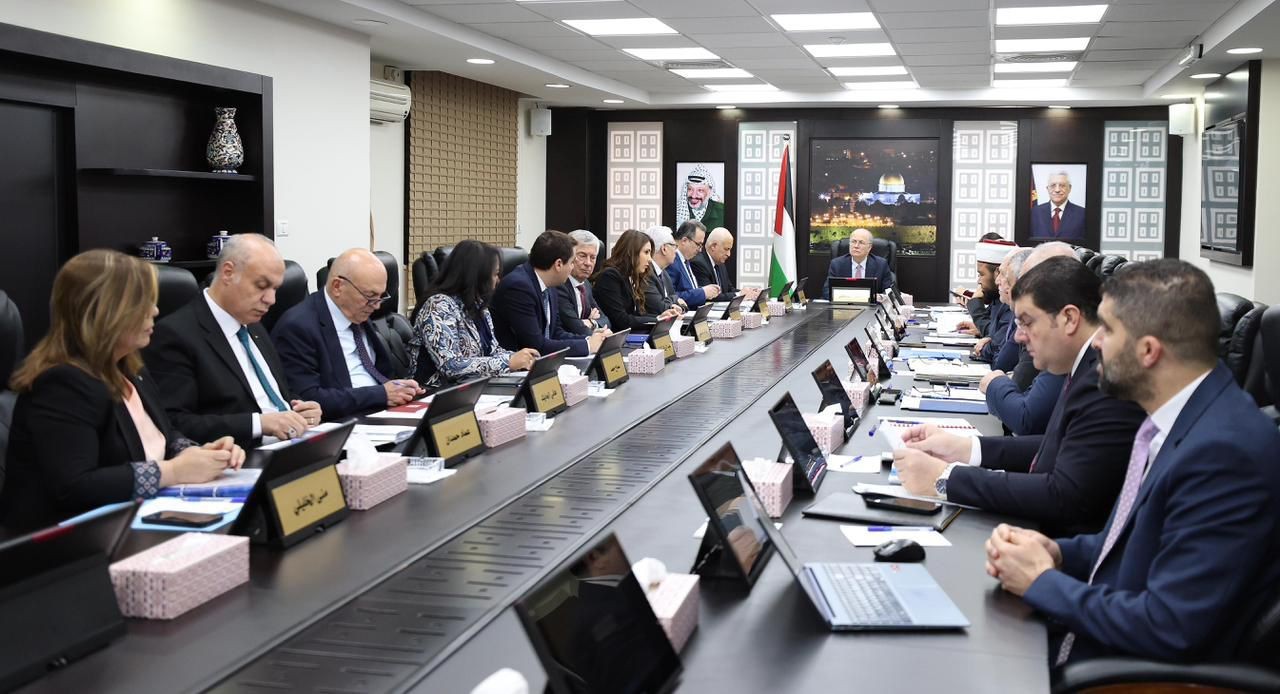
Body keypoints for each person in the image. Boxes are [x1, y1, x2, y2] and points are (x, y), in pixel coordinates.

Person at [986, 259, 1280, 668]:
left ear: (1148, 351)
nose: (1096, 342)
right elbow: (1132, 546)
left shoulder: (1224, 453)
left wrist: (1041, 582)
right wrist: (1056, 551)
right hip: (1098, 632)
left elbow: (1169, 627)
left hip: (1122, 671)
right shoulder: (1183, 419)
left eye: (1107, 330)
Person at [893, 257, 1146, 536]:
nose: (1018, 337)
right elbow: (1059, 445)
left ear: (1069, 318)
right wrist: (966, 448)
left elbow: (1063, 495)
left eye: (1027, 323)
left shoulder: (1105, 377)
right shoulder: (1081, 364)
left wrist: (946, 478)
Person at [1, 250, 244, 532]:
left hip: (132, 522)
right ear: (106, 310)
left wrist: (198, 453)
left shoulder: (129, 367)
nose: (155, 311)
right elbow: (75, 486)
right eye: (143, 302)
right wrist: (173, 471)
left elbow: (164, 434)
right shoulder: (62, 384)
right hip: (69, 543)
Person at [145, 234, 322, 448]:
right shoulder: (175, 334)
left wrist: (300, 408)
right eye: (261, 285)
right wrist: (258, 424)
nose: (271, 300)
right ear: (228, 273)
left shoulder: (254, 325)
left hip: (292, 444)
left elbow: (273, 394)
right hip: (242, 454)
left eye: (275, 288)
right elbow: (174, 423)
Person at [273, 248, 422, 419]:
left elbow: (378, 372)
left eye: (381, 296)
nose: (377, 306)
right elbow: (309, 399)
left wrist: (400, 388)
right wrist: (381, 394)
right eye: (370, 296)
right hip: (346, 420)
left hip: (384, 411)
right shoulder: (297, 327)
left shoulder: (357, 311)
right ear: (337, 287)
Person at [409, 240, 537, 389]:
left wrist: (521, 358)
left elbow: (493, 351)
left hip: (473, 387)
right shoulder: (438, 306)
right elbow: (450, 366)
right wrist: (508, 362)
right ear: (478, 275)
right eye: (495, 274)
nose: (498, 280)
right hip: (435, 392)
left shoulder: (478, 305)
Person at [981, 242, 1077, 435]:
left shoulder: (1068, 353)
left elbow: (1026, 419)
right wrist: (972, 447)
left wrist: (996, 383)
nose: (1003, 283)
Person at [491, 230, 607, 358]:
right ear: (558, 264)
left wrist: (591, 339)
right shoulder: (519, 287)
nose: (571, 268)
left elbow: (556, 333)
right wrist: (588, 346)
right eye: (571, 262)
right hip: (515, 365)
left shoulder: (550, 285)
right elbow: (536, 345)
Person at [594, 229, 681, 333]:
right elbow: (622, 320)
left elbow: (637, 315)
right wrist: (657, 319)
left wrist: (660, 317)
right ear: (632, 252)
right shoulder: (610, 276)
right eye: (646, 252)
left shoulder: (630, 276)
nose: (650, 259)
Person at [965, 240, 1017, 355]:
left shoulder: (1009, 305)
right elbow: (993, 332)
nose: (979, 281)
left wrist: (976, 305)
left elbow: (996, 346)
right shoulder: (996, 300)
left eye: (981, 274)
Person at [556, 230, 611, 336]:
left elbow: (606, 321)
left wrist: (591, 322)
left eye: (593, 257)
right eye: (582, 255)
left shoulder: (585, 284)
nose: (588, 263)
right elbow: (574, 327)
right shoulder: (560, 284)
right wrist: (593, 331)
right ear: (569, 256)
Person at [690, 227, 760, 302]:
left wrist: (748, 293)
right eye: (726, 249)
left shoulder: (720, 262)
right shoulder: (698, 263)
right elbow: (710, 297)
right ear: (713, 246)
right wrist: (739, 294)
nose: (729, 254)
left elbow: (729, 289)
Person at [822, 228, 893, 300]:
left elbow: (889, 291)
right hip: (845, 304)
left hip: (871, 305)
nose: (856, 246)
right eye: (853, 241)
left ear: (869, 247)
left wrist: (879, 297)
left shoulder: (881, 265)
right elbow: (826, 291)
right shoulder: (837, 264)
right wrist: (848, 298)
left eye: (861, 242)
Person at [667, 220, 720, 309]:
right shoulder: (672, 262)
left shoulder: (686, 260)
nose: (700, 250)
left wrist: (706, 290)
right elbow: (671, 296)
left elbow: (689, 289)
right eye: (698, 244)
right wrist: (702, 292)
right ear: (684, 240)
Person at [644, 226, 687, 316]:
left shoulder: (664, 273)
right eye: (674, 246)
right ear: (664, 249)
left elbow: (679, 304)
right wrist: (675, 299)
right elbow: (660, 308)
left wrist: (673, 301)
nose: (676, 251)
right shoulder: (646, 273)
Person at [1030, 171, 1086, 239]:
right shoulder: (1034, 213)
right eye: (1053, 185)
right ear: (1047, 189)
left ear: (1069, 188)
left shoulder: (1083, 214)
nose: (1057, 190)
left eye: (1062, 185)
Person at [675, 164, 724, 231]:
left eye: (700, 190)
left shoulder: (722, 211)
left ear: (710, 192)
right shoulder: (678, 210)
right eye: (690, 189)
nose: (693, 195)